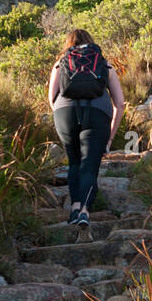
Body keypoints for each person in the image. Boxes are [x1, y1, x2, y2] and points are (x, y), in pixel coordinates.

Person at [48, 29, 125, 230]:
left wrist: (63, 118)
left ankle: (74, 207)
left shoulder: (60, 64)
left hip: (65, 114)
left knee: (74, 163)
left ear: (69, 44)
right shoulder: (104, 65)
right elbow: (120, 103)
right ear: (91, 44)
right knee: (90, 165)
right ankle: (84, 212)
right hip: (98, 115)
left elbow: (51, 98)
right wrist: (110, 136)